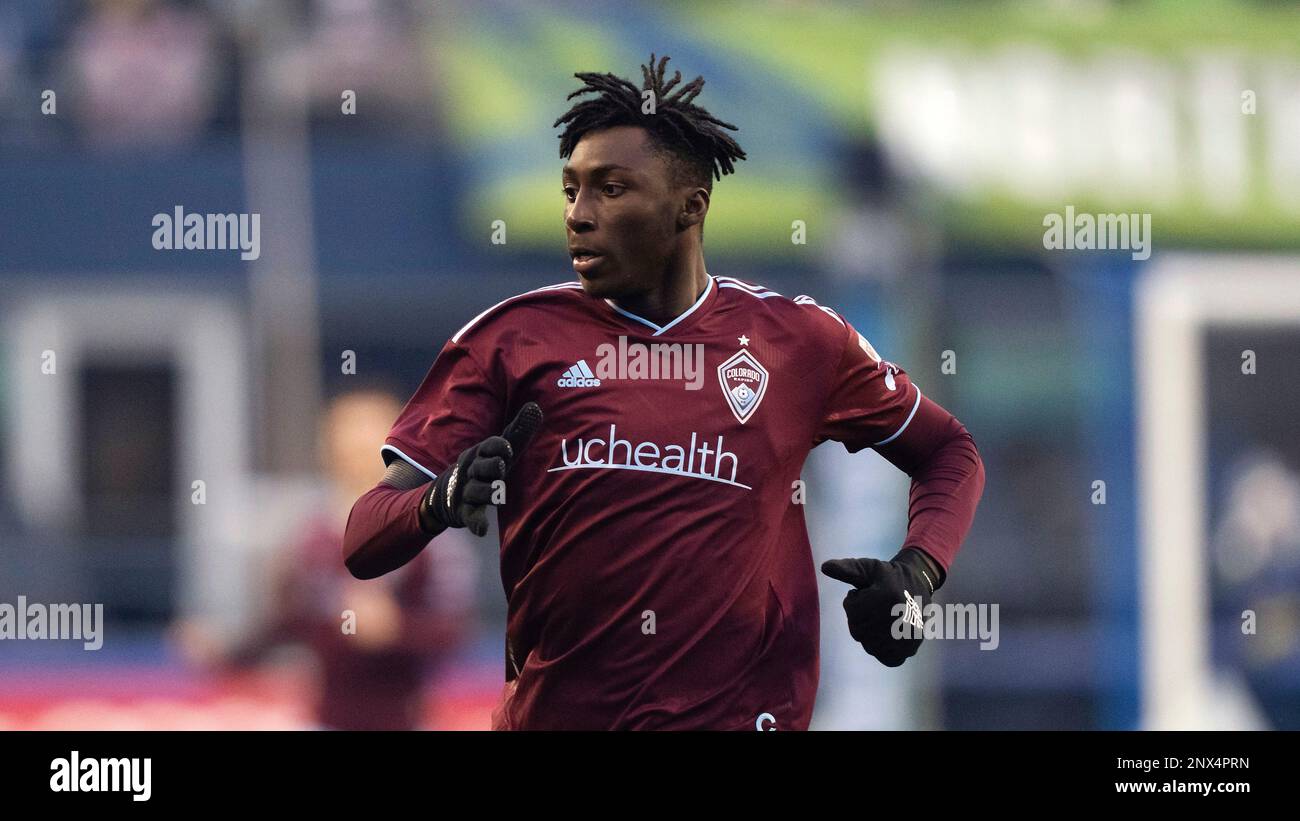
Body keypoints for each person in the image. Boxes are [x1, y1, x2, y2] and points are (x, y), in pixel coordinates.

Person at [343, 54, 984, 730]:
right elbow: (363, 537)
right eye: (570, 191)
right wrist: (437, 502)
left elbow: (949, 451)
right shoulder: (511, 340)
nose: (579, 216)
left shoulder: (796, 342)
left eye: (611, 189)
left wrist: (918, 571)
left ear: (690, 206)